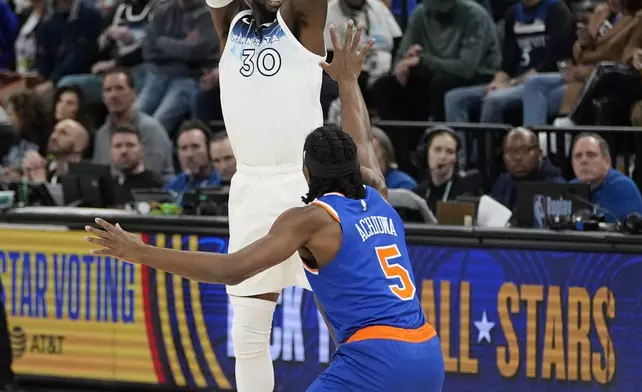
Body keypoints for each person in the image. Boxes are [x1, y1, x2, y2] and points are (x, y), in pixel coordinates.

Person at [84, 23, 445, 392]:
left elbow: (231, 269)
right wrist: (348, 81)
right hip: (427, 351)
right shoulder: (377, 194)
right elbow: (363, 139)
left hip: (375, 359)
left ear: (306, 172)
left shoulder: (312, 220)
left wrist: (139, 251)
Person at [204, 0, 328, 389]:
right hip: (249, 189)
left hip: (305, 184)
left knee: (349, 326)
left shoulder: (302, 22)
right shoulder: (230, 24)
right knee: (248, 337)